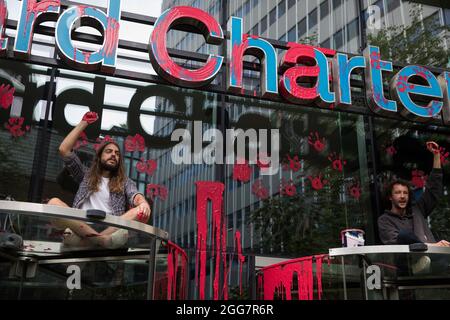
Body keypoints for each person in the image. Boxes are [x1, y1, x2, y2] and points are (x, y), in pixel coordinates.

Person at [47, 111, 151, 249]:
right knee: (53, 202)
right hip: (82, 226)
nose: (113, 155)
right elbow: (64, 150)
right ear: (99, 157)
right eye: (109, 152)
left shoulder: (125, 182)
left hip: (111, 227)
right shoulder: (86, 175)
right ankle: (100, 241)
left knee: (141, 210)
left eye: (117, 154)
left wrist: (143, 203)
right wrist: (84, 122)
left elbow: (135, 195)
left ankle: (87, 243)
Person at [378, 141, 449, 247]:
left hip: (435, 260)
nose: (402, 196)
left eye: (405, 193)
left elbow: (434, 189)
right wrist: (432, 246)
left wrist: (436, 155)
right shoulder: (385, 220)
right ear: (390, 197)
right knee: (404, 236)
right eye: (398, 193)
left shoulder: (418, 209)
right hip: (408, 262)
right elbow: (396, 244)